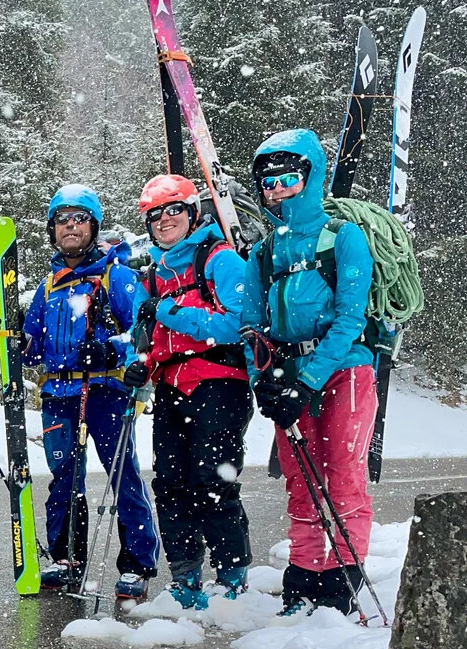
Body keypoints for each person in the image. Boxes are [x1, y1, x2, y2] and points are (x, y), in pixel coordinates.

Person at [242, 129, 377, 617]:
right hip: (288, 376)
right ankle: (303, 572)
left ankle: (342, 575)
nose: (276, 191)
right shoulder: (262, 254)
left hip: (345, 372)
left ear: (311, 178)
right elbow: (252, 326)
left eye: (287, 180)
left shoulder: (343, 237)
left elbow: (350, 319)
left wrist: (307, 380)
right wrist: (268, 382)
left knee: (342, 475)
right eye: (268, 183)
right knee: (302, 479)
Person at [0, 184, 159, 599]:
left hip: (105, 390)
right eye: (62, 220)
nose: (70, 227)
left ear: (93, 225)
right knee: (64, 480)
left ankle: (138, 564)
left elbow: (146, 332)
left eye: (79, 219)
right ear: (53, 229)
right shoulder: (49, 285)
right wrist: (19, 339)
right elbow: (33, 343)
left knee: (121, 475)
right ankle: (67, 556)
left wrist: (111, 347)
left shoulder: (116, 275)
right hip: (58, 395)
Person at [123, 174, 252, 609]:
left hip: (220, 382)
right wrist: (135, 366)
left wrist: (172, 313)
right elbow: (141, 337)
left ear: (193, 212)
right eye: (154, 215)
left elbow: (238, 324)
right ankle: (184, 576)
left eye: (173, 210)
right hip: (172, 389)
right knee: (171, 483)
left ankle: (232, 574)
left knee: (211, 478)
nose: (164, 221)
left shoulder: (219, 259)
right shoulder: (154, 276)